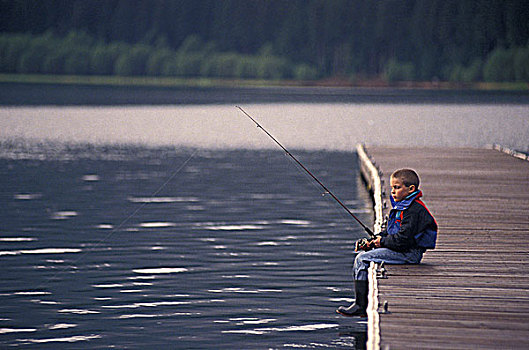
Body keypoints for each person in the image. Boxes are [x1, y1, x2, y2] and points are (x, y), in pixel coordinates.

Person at [337, 168, 437, 317]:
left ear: (411, 189)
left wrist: (381, 242)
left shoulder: (414, 211)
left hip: (409, 254)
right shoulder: (402, 207)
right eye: (392, 188)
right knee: (365, 253)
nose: (393, 192)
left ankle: (360, 305)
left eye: (397, 188)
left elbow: (403, 241)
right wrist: (372, 242)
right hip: (403, 250)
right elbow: (390, 232)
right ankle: (363, 303)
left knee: (361, 259)